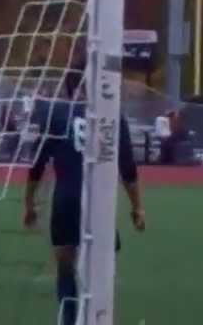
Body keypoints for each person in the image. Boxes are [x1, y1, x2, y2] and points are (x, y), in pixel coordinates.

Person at [23, 65, 144, 325]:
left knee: (65, 265)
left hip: (66, 200)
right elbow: (128, 168)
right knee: (101, 267)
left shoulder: (55, 115)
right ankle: (99, 317)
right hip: (99, 202)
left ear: (68, 87)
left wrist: (29, 204)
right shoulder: (112, 116)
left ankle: (68, 319)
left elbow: (36, 164)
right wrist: (137, 207)